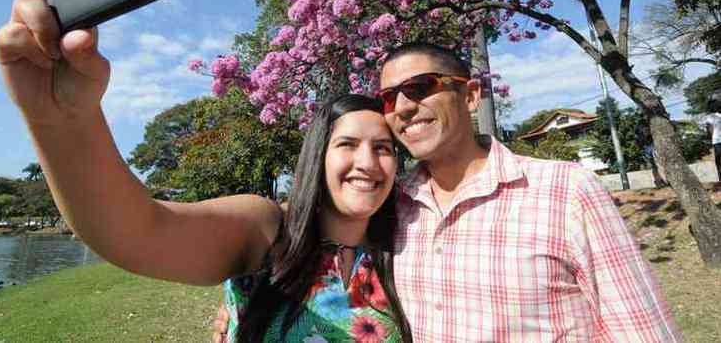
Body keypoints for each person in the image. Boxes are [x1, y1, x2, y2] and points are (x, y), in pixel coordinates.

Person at [0, 0, 412, 342]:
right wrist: (61, 121)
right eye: (347, 144)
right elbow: (139, 232)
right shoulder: (267, 230)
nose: (368, 162)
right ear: (317, 155)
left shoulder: (403, 255)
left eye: (383, 148)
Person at [212, 42, 682, 342]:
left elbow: (644, 332)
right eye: (389, 97)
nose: (404, 107)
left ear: (472, 95)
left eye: (421, 87)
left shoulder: (565, 191)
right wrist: (246, 307)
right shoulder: (391, 205)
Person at [634, 114, 669, 188]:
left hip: (647, 149)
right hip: (651, 148)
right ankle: (664, 181)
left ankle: (659, 182)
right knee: (659, 164)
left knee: (655, 166)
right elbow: (646, 133)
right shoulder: (644, 124)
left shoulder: (637, 128)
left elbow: (637, 143)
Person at [704, 103, 721, 182]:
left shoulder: (710, 117)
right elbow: (709, 129)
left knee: (719, 159)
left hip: (717, 140)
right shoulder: (710, 117)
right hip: (717, 140)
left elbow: (709, 130)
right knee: (719, 158)